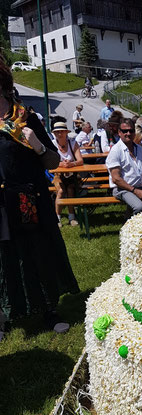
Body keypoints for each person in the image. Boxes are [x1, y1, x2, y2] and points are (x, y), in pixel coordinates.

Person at [0, 59, 79, 338]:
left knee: (40, 254)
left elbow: (54, 161)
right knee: (5, 259)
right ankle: (6, 316)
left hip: (30, 199)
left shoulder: (27, 119)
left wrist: (36, 145)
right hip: (1, 204)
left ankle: (49, 310)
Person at [105, 118, 142, 216]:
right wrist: (136, 191)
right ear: (119, 132)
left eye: (131, 131)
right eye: (125, 131)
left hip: (141, 186)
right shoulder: (115, 151)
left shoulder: (139, 148)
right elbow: (116, 179)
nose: (128, 133)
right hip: (122, 189)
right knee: (140, 207)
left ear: (134, 132)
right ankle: (129, 226)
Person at [51, 121, 83, 227]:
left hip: (73, 175)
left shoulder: (73, 143)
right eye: (57, 132)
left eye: (61, 131)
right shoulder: (52, 144)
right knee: (60, 191)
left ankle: (71, 217)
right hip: (58, 175)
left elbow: (80, 161)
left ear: (66, 132)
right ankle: (57, 218)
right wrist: (61, 164)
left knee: (70, 189)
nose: (59, 134)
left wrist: (71, 164)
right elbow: (49, 162)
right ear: (54, 134)